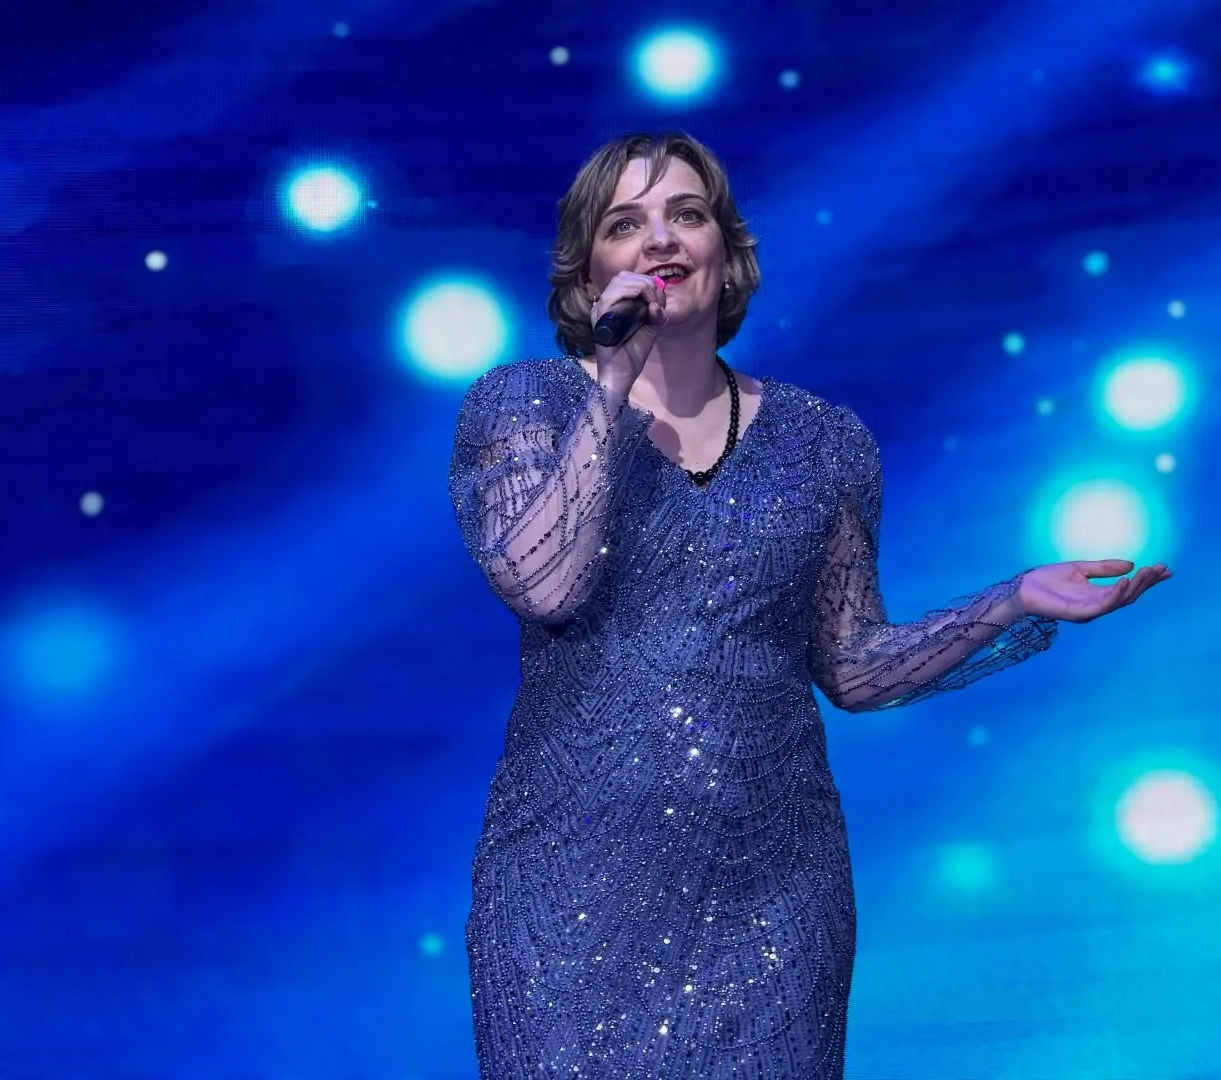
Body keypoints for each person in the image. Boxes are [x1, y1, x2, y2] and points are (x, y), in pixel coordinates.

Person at [448, 131, 1170, 1079]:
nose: (661, 239)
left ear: (726, 251)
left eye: (686, 215)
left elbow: (854, 666)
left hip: (773, 893)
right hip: (569, 888)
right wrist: (615, 378)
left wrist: (1010, 602)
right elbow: (545, 584)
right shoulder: (523, 407)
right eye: (626, 224)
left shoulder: (823, 443)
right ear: (586, 276)